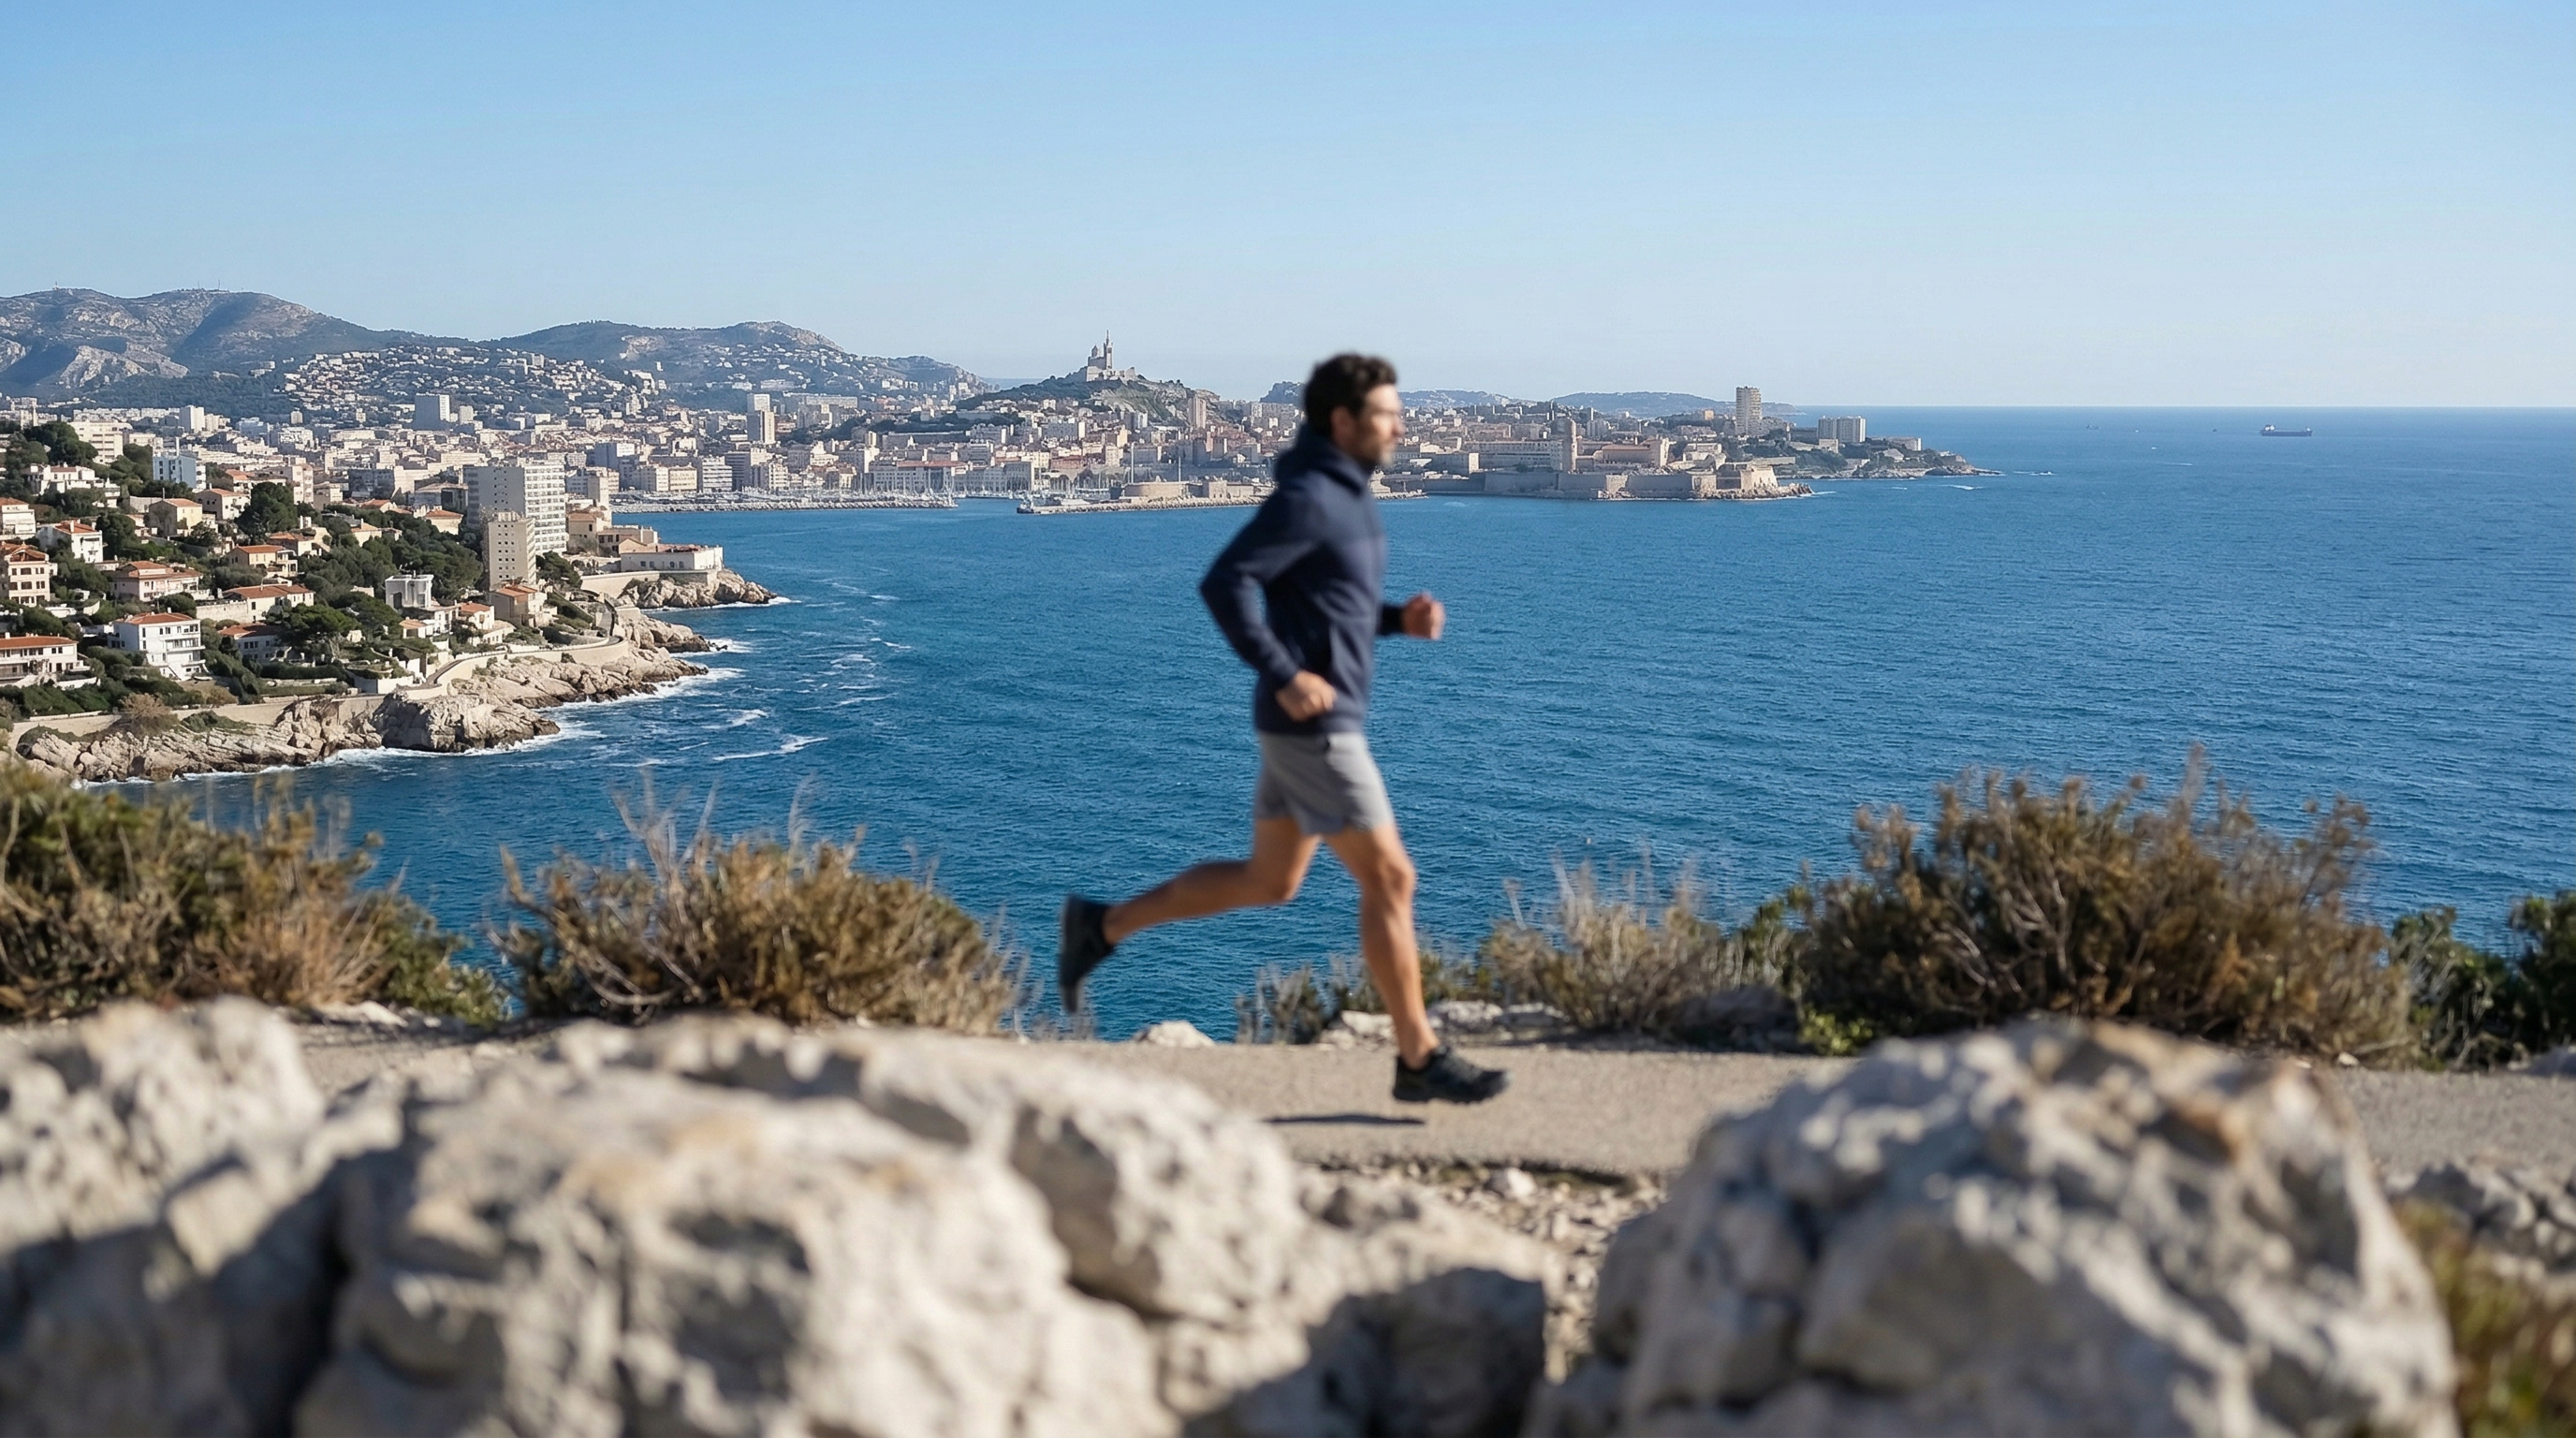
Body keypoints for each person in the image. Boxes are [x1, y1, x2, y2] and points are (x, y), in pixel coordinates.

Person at [1059, 353, 1509, 1104]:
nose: (1401, 426)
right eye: (1387, 415)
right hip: (1316, 726)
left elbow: (1330, 608)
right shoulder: (1309, 497)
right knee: (1393, 878)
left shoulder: (1345, 495)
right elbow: (1225, 583)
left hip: (1300, 725)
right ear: (1343, 422)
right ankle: (1418, 1057)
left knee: (1270, 881)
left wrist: (1398, 619)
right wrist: (1285, 672)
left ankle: (1100, 927)